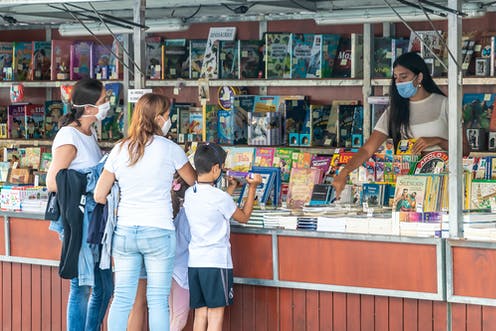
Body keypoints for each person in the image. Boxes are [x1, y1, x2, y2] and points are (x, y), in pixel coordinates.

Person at [94, 93, 196, 331]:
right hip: (159, 231)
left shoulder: (119, 149)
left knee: (121, 299)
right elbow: (193, 181)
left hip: (126, 232)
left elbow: (99, 195)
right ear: (159, 119)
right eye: (168, 116)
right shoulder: (170, 149)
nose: (169, 120)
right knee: (158, 301)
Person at [332, 51, 449, 198]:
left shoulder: (445, 104)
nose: (399, 82)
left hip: (443, 183)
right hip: (410, 185)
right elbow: (368, 149)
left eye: (404, 77)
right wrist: (344, 172)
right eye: (396, 78)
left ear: (419, 77)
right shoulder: (394, 111)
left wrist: (438, 140)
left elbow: (465, 149)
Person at [46, 78, 113, 331]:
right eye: (104, 101)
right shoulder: (69, 136)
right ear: (88, 108)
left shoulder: (89, 132)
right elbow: (53, 181)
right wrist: (91, 179)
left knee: (104, 286)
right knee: (82, 285)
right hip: (79, 219)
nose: (108, 105)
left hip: (95, 220)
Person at [183, 143, 262, 331]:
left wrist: (231, 189)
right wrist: (252, 188)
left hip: (195, 263)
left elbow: (214, 204)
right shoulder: (219, 197)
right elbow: (244, 217)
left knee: (200, 314)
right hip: (216, 262)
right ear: (216, 168)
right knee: (216, 316)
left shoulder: (190, 194)